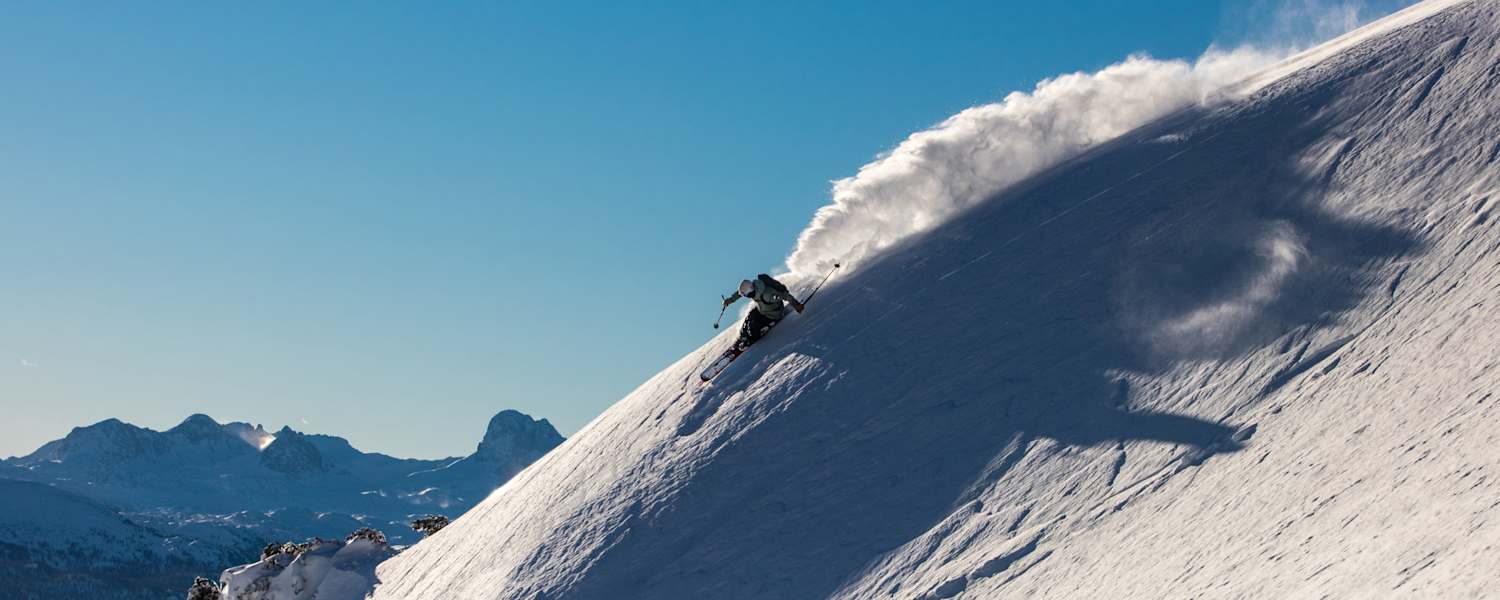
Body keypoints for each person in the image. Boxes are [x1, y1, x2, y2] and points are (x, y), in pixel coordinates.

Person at [722, 274, 804, 352]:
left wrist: (796, 305)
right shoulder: (754, 288)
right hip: (763, 310)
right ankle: (743, 336)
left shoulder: (767, 295)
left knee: (754, 323)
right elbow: (740, 293)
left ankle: (752, 339)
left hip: (773, 314)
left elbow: (784, 295)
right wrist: (731, 300)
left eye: (746, 295)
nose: (746, 296)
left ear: (750, 291)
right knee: (750, 317)